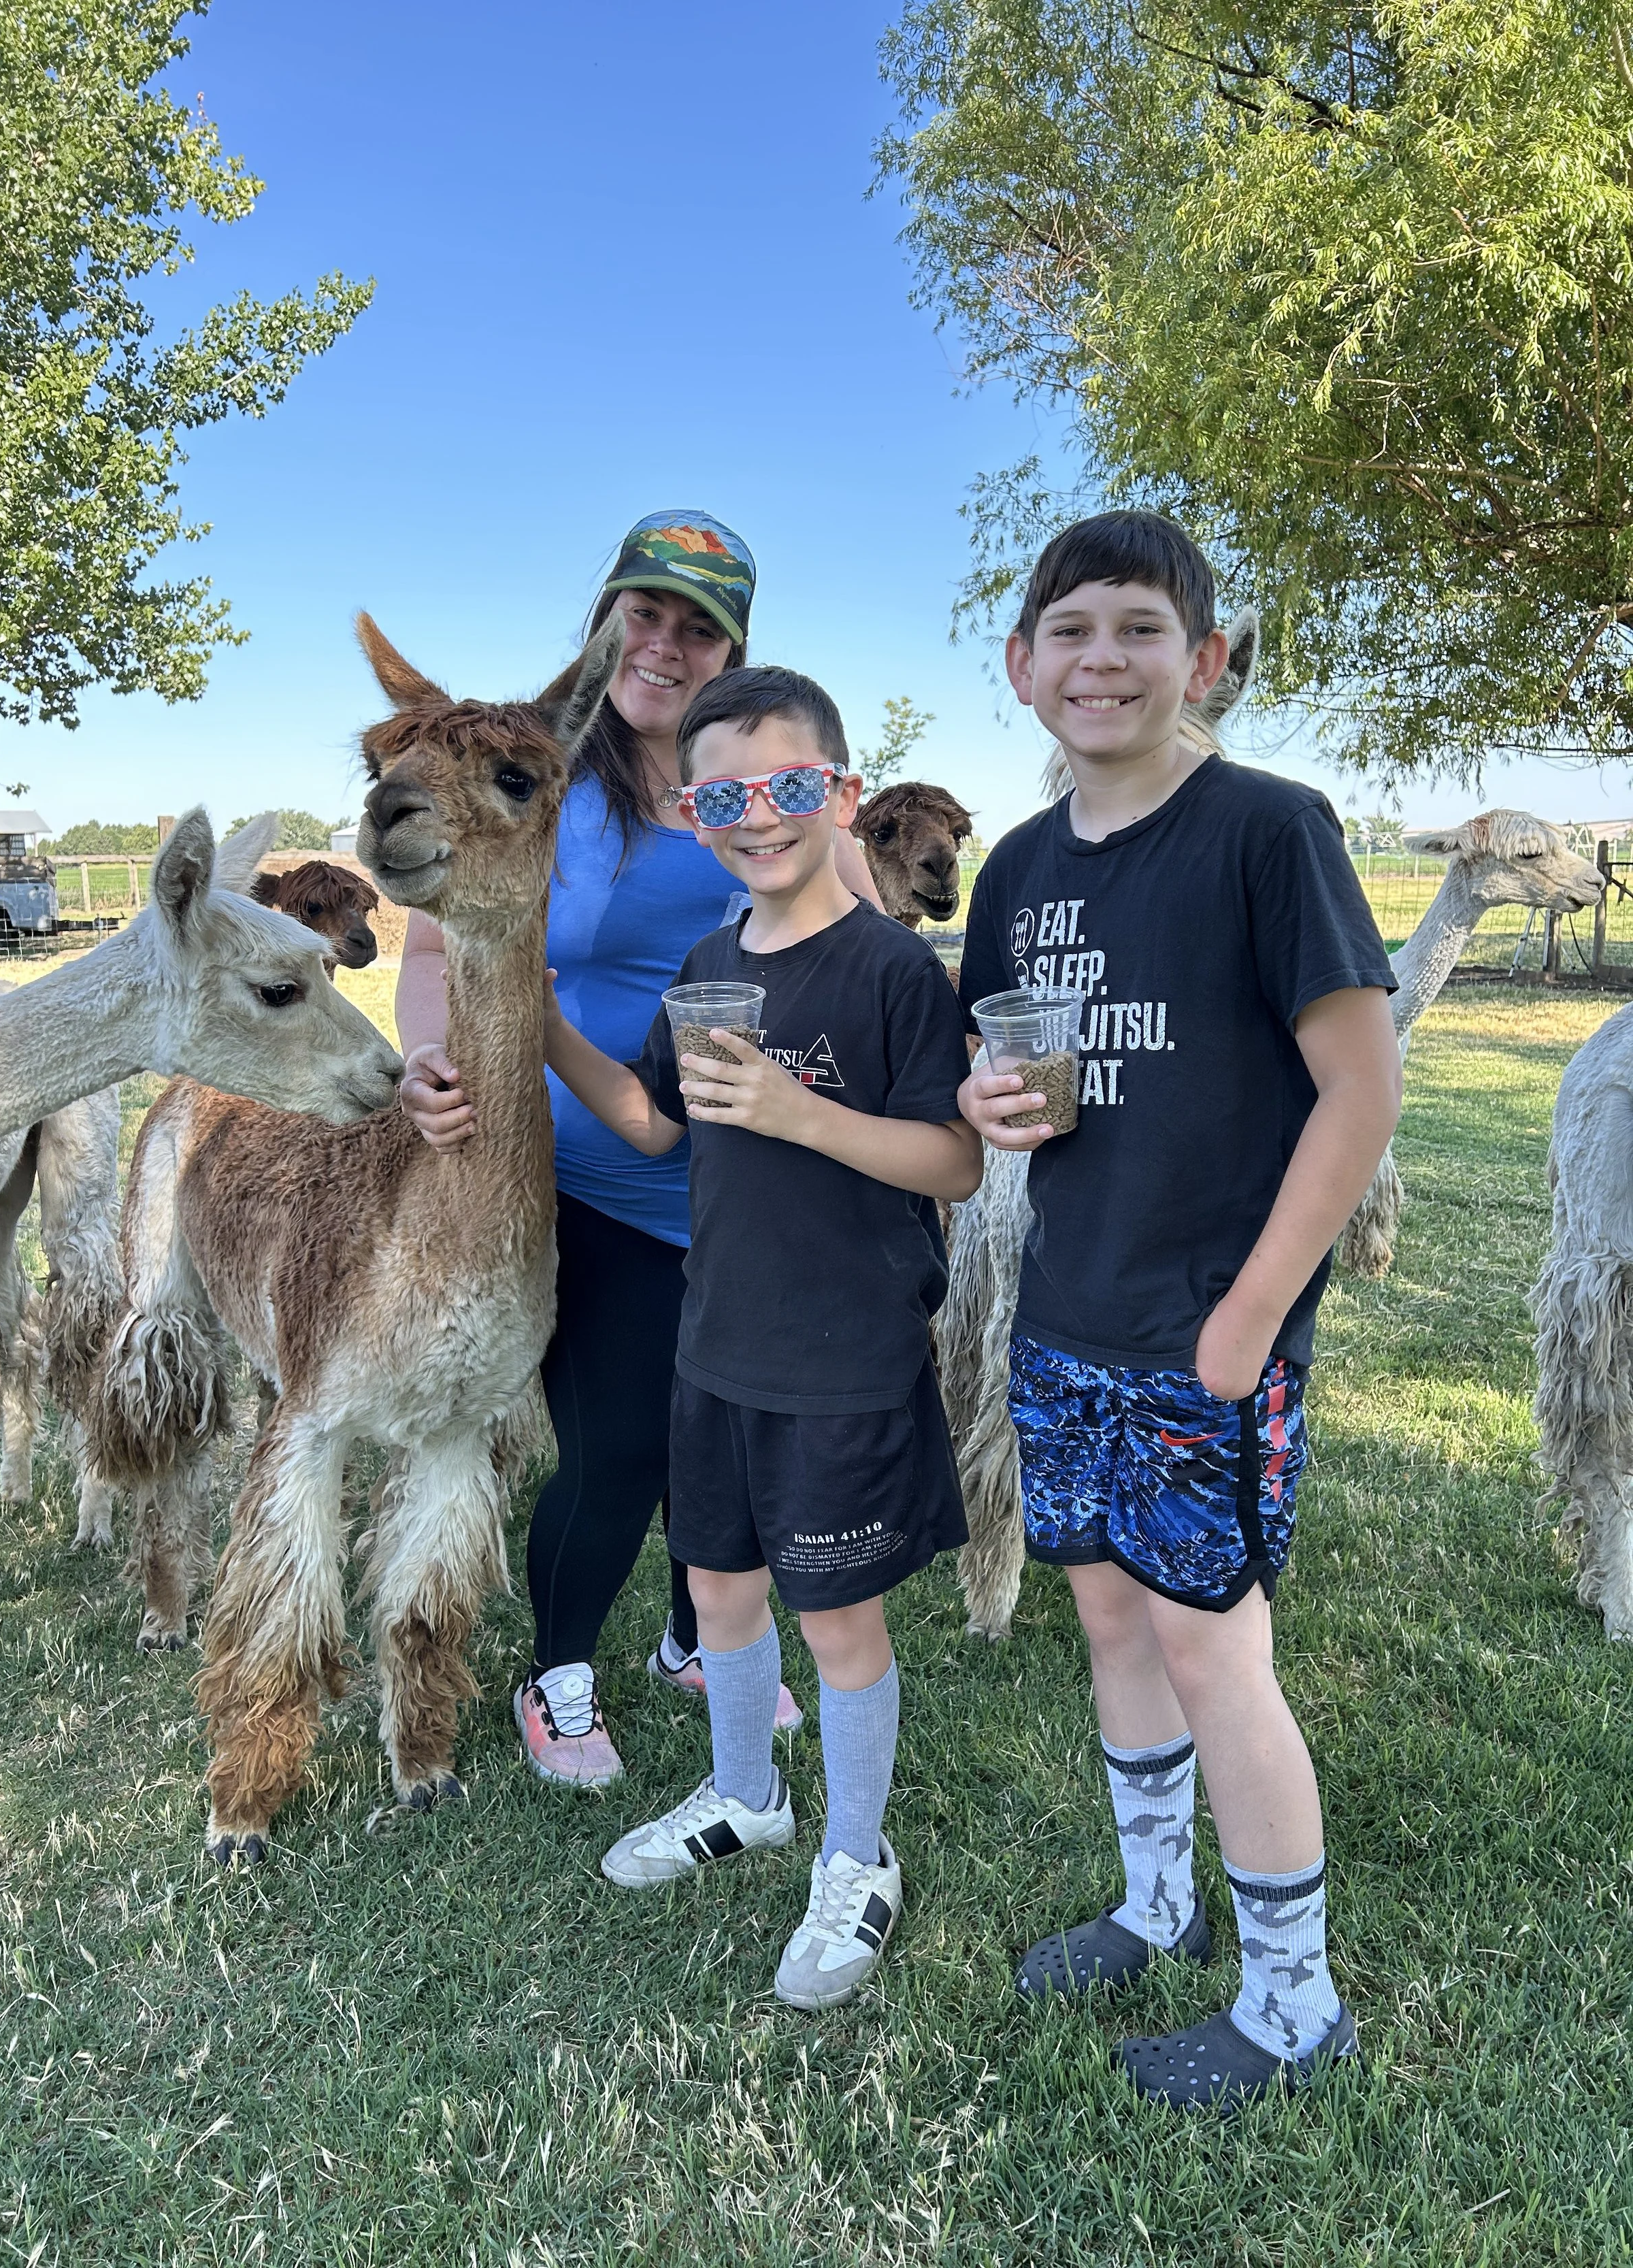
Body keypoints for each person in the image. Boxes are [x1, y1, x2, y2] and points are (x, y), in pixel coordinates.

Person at [955, 510, 1401, 2109]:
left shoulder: (1268, 832)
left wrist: (1249, 1319)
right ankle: (1154, 1901)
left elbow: (1358, 1088)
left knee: (1219, 1654)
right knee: (1109, 1616)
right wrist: (994, 1105)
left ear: (1201, 659)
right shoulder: (1011, 868)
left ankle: (1293, 1999)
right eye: (1069, 630)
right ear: (1021, 667)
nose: (1103, 658)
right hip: (1067, 1312)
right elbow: (988, 1076)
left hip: (1206, 1333)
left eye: (1140, 628)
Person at [395, 512, 885, 1789]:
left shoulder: (758, 787)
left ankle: (689, 1637)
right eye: (643, 613)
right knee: (618, 1444)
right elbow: (438, 943)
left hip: (747, 1186)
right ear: (605, 618)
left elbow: (862, 936)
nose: (662, 644)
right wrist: (428, 1057)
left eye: (696, 624)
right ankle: (556, 1673)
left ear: (734, 650)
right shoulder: (538, 773)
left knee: (715, 1437)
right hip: (582, 1176)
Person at [544, 664, 980, 2009]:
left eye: (790, 786)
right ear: (692, 812)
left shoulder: (892, 970)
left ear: (838, 797)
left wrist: (801, 1113)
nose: (759, 813)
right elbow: (656, 1124)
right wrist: (538, 1026)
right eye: (723, 793)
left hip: (844, 1354)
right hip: (713, 1338)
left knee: (836, 1623)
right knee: (720, 1591)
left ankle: (857, 1852)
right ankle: (744, 1795)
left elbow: (954, 1161)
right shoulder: (707, 965)